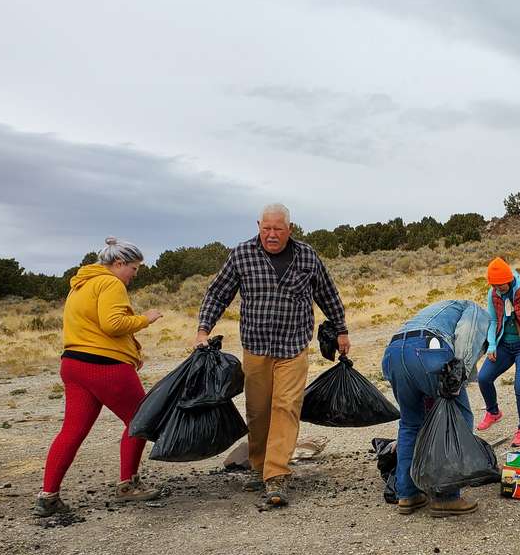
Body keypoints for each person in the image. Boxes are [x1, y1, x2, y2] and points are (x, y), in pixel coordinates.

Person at [196, 204, 349, 508]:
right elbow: (218, 293)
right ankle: (259, 465)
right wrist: (203, 329)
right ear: (258, 226)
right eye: (266, 228)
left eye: (278, 229)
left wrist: (341, 330)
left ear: (289, 229)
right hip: (256, 346)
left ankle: (276, 475)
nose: (271, 234)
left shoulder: (306, 256)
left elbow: (327, 294)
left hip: (293, 347)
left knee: (286, 406)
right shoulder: (242, 254)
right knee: (258, 410)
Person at [35, 237, 164, 516]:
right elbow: (113, 324)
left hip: (73, 365)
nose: (134, 276)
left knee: (72, 430)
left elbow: (93, 327)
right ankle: (128, 485)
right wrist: (146, 318)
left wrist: (131, 348)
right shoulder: (110, 283)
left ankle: (49, 496)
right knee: (141, 420)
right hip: (105, 367)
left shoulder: (80, 285)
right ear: (119, 263)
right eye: (134, 269)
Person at [381, 299, 489, 517]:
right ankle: (446, 497)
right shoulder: (478, 312)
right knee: (456, 418)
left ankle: (407, 494)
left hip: (393, 353)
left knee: (410, 423)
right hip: (428, 349)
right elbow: (468, 339)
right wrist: (457, 378)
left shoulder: (442, 310)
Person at [476, 257, 520, 448]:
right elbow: (492, 320)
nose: (498, 289)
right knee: (483, 378)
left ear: (509, 279)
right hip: (503, 345)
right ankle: (493, 412)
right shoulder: (493, 294)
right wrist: (492, 345)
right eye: (495, 286)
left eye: (501, 285)